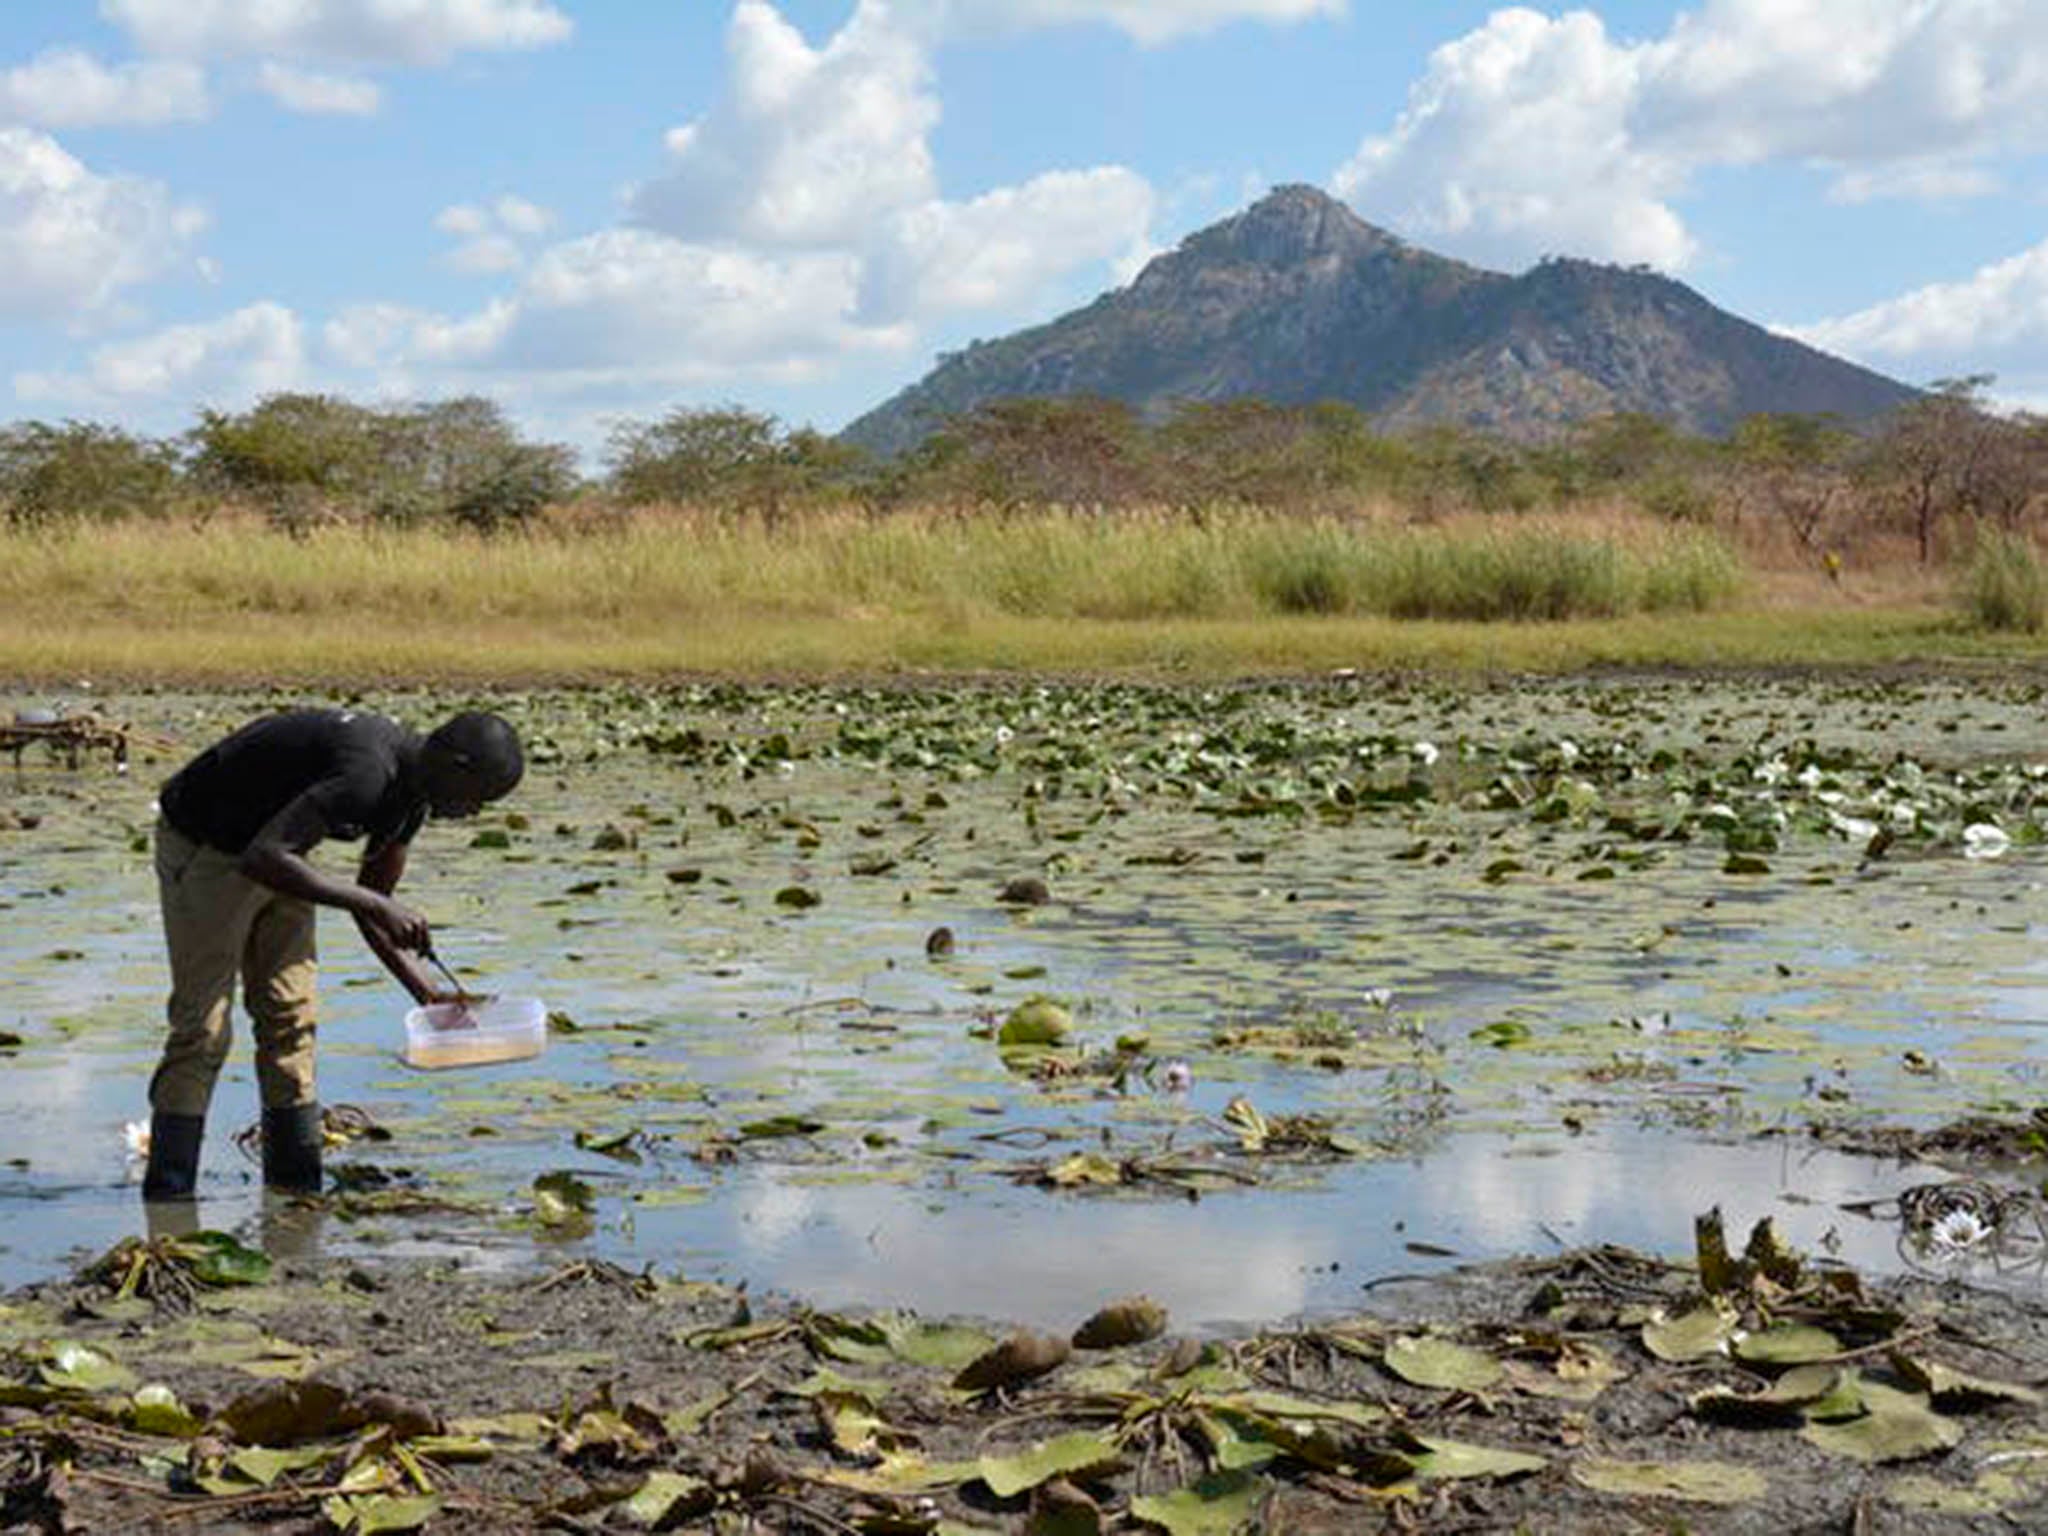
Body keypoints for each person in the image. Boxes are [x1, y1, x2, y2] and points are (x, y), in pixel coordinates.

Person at [142, 707, 524, 1200]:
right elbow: (271, 860)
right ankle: (169, 1201)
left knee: (290, 1018)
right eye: (478, 798)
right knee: (203, 1030)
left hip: (282, 855)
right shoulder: (367, 772)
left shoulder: (411, 798)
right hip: (210, 847)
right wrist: (373, 902)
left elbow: (372, 905)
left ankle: (295, 1193)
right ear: (456, 763)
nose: (473, 813)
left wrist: (426, 992)